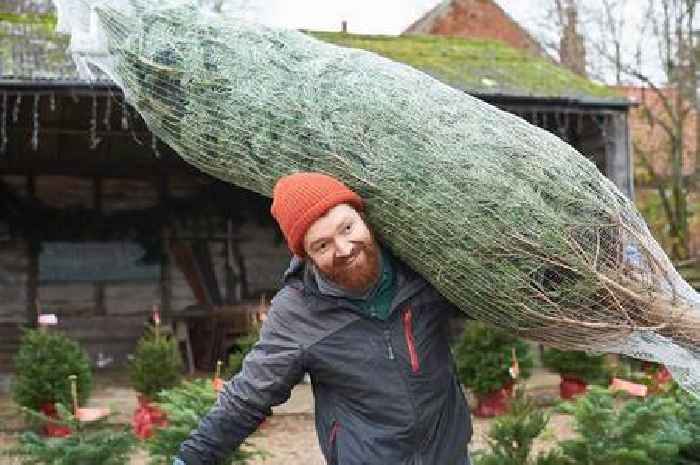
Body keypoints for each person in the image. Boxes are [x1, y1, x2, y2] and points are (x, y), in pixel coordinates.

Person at [174, 172, 472, 465]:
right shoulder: (299, 312)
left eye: (346, 228)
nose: (344, 249)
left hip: (450, 455)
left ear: (362, 217)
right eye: (322, 245)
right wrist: (189, 459)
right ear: (307, 256)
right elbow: (249, 396)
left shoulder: (421, 270)